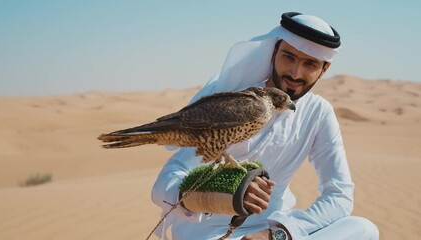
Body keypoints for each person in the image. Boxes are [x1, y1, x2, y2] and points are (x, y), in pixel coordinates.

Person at [151, 12, 379, 240]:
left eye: (310, 63)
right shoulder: (235, 102)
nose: (295, 73)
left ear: (324, 68)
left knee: (363, 229)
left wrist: (280, 232)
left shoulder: (318, 112)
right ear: (273, 53)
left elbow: (339, 194)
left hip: (272, 232)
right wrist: (231, 193)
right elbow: (167, 181)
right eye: (288, 57)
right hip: (209, 234)